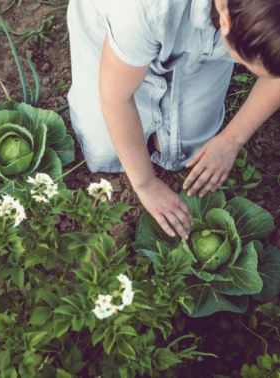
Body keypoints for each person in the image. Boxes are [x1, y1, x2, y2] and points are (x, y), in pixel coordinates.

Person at [67, 0, 280, 241]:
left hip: (199, 42)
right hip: (114, 33)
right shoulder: (144, 9)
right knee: (104, 153)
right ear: (226, 23)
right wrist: (146, 185)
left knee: (188, 150)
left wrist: (232, 140)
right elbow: (116, 99)